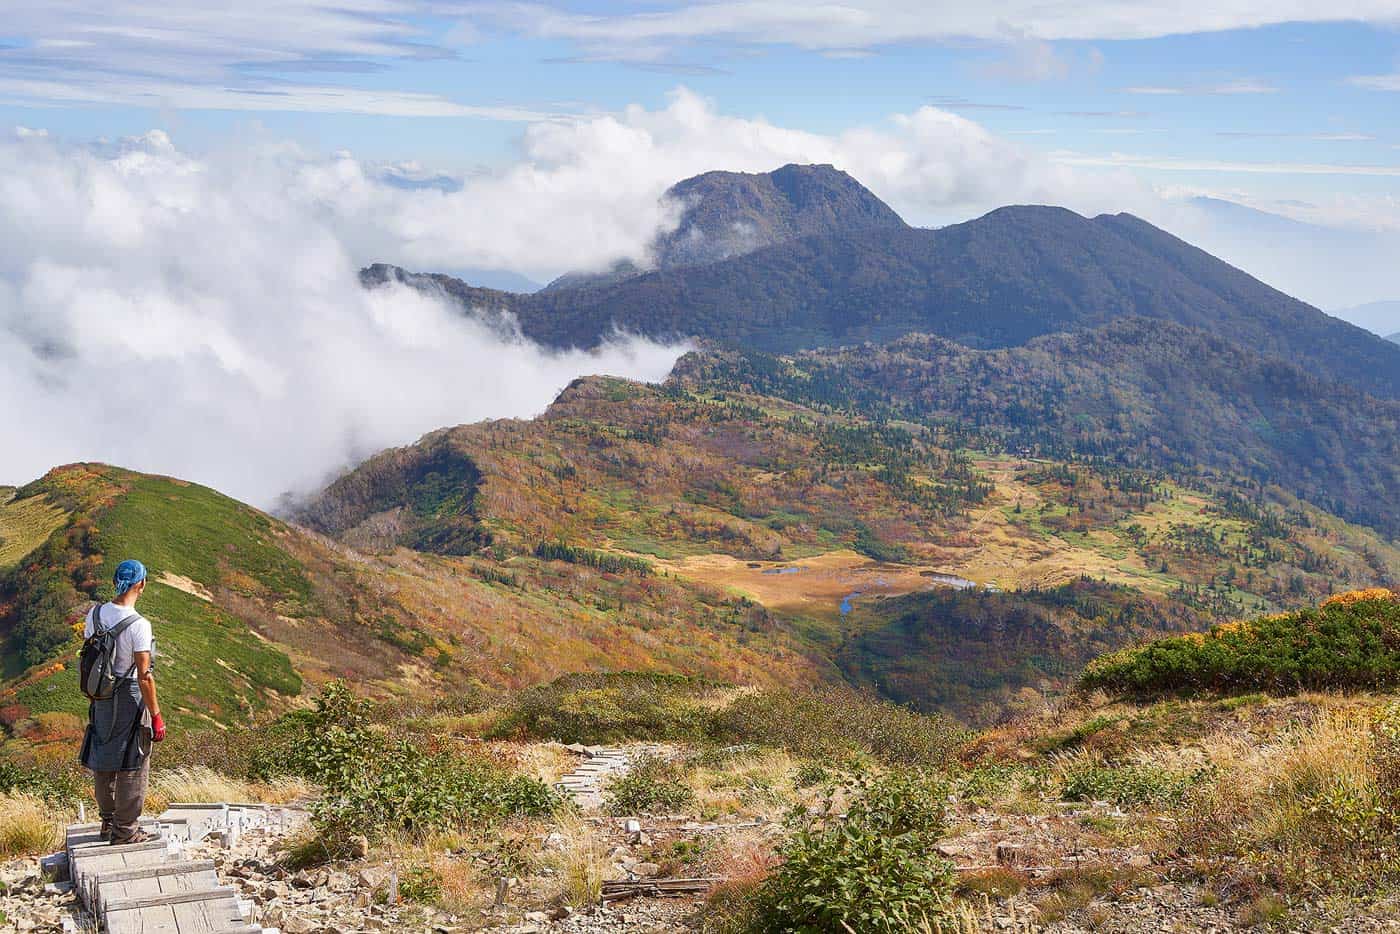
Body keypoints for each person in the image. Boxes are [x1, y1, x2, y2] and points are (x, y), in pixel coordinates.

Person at [78, 559, 166, 844]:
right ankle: (125, 830)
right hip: (129, 696)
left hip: (101, 694)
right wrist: (156, 715)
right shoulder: (140, 625)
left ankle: (107, 822)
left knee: (104, 755)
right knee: (134, 759)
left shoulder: (95, 614)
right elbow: (145, 676)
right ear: (141, 584)